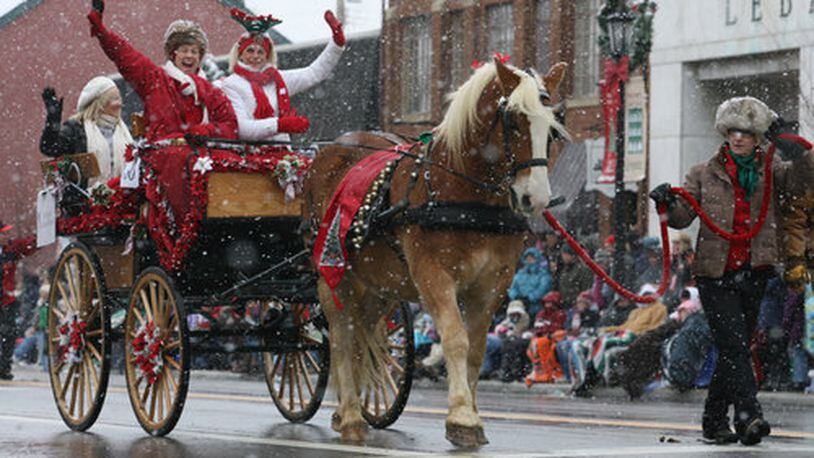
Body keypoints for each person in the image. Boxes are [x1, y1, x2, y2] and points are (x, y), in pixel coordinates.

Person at [649, 96, 814, 445]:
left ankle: (713, 420)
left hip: (755, 270)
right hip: (715, 273)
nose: (738, 138)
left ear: (757, 137)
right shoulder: (702, 173)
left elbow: (804, 179)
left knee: (734, 348)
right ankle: (749, 414)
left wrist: (794, 146)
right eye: (733, 131)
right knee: (735, 345)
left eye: (747, 132)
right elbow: (681, 216)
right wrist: (665, 202)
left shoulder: (773, 169)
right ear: (725, 133)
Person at [85, 0, 237, 142]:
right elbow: (126, 56)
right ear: (173, 54)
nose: (189, 55)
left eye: (194, 51)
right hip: (163, 158)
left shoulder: (212, 92)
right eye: (184, 50)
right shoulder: (155, 79)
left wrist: (207, 131)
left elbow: (230, 126)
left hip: (203, 160)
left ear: (200, 57)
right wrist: (101, 31)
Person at [220, 8, 345, 142]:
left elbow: (314, 73)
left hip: (283, 151)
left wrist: (336, 44)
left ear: (267, 56)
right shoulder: (231, 84)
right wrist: (281, 124)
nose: (255, 56)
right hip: (250, 154)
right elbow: (242, 129)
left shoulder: (278, 79)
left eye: (261, 52)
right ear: (240, 55)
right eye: (250, 51)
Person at [40, 77, 133, 183]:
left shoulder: (123, 130)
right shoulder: (76, 128)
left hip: (121, 197)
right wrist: (53, 119)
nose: (119, 103)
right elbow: (49, 148)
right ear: (100, 104)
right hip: (85, 197)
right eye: (113, 99)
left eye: (119, 98)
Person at [0, 222, 37, 380]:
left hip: (6, 300)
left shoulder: (11, 250)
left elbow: (30, 245)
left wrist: (46, 233)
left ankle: (4, 367)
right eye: (4, 233)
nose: (7, 236)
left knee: (9, 334)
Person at [507, 247, 553, 317]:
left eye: (532, 259)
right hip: (519, 306)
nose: (529, 261)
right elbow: (513, 288)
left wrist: (529, 298)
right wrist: (516, 296)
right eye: (527, 259)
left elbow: (543, 289)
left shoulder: (543, 275)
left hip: (535, 307)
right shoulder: (520, 274)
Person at [557, 244, 594, 310]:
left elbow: (585, 287)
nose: (564, 257)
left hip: (577, 305)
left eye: (566, 254)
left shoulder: (582, 269)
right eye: (563, 254)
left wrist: (580, 301)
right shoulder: (565, 269)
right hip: (566, 305)